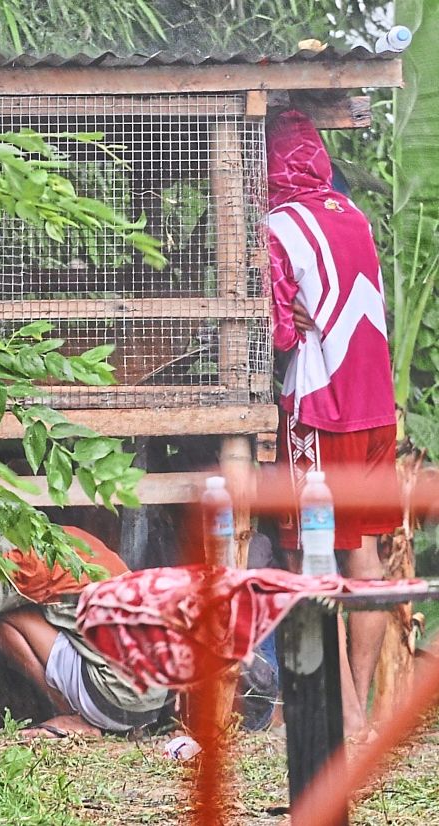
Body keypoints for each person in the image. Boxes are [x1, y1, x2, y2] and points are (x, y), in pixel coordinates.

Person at [264, 109, 398, 737]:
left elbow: (280, 332)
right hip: (376, 407)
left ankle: (339, 714)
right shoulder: (356, 217)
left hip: (322, 410)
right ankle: (360, 707)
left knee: (309, 552)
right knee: (364, 558)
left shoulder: (276, 227)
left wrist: (286, 314)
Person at [0, 525, 168, 739]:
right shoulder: (81, 542)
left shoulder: (30, 561)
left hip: (115, 699)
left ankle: (72, 715)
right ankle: (120, 723)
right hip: (152, 703)